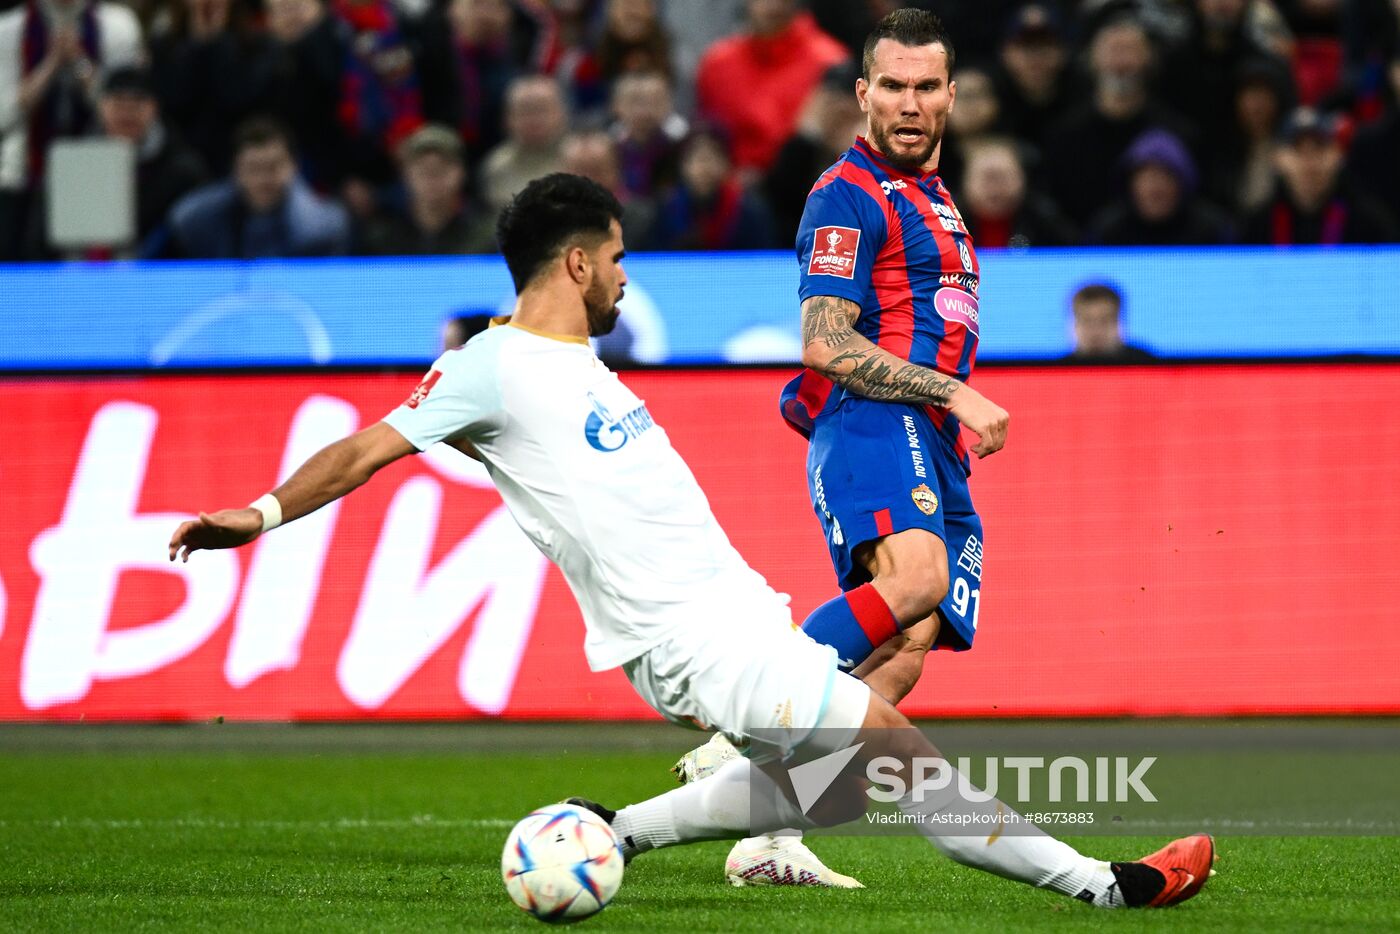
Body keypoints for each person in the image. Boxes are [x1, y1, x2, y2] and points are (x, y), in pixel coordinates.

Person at [168, 171, 1214, 912]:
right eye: (616, 260)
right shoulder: (489, 366)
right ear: (575, 261)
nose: (625, 278)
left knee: (840, 783)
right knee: (901, 764)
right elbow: (363, 450)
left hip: (734, 615)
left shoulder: (579, 363)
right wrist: (255, 516)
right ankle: (1104, 886)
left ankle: (614, 831)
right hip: (693, 640)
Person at [694, 0, 848, 175]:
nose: (772, 5)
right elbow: (705, 138)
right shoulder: (716, 64)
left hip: (801, 188)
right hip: (726, 189)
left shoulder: (830, 65)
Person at [163, 116, 351, 258]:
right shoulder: (201, 220)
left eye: (273, 167)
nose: (263, 179)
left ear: (294, 166)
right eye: (253, 168)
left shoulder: (325, 226)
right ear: (236, 170)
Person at [357, 122, 494, 255]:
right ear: (405, 174)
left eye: (442, 166)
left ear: (462, 173)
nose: (432, 175)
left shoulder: (487, 239)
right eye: (422, 168)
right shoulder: (381, 241)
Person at [1086, 128, 1233, 246]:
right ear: (1130, 185)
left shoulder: (1213, 231)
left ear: (1183, 184)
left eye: (1164, 177)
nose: (1155, 190)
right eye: (1147, 178)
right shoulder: (1107, 231)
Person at [1064, 282, 1156, 362]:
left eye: (1104, 320)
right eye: (1087, 321)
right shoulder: (1056, 371)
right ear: (1074, 324)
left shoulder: (1149, 365)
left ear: (1119, 322)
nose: (1096, 330)